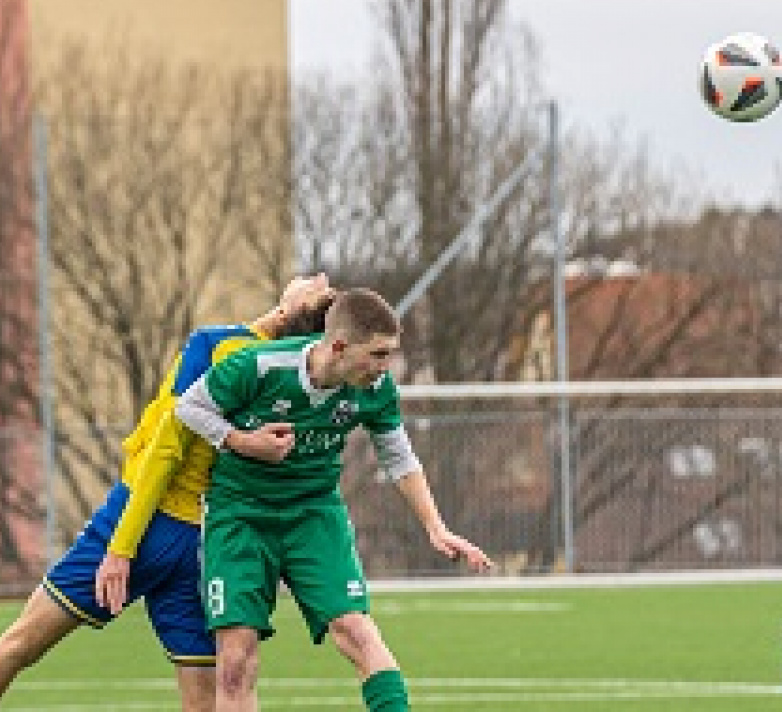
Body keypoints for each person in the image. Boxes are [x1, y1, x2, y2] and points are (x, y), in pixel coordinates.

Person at [0, 274, 336, 711]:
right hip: (208, 539)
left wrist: (121, 548)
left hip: (144, 519)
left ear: (291, 310)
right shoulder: (296, 381)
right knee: (202, 701)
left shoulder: (215, 347)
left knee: (18, 645)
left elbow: (166, 447)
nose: (317, 280)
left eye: (313, 288)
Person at [175, 287, 494, 712]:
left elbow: (399, 457)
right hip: (239, 517)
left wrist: (436, 527)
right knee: (235, 663)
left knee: (358, 634)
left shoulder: (375, 389)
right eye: (378, 355)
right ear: (339, 347)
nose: (385, 368)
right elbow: (189, 406)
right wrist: (241, 442)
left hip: (313, 516)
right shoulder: (260, 365)